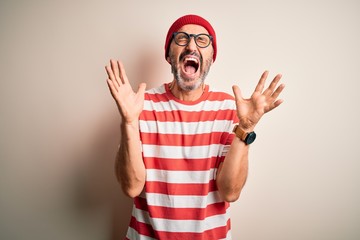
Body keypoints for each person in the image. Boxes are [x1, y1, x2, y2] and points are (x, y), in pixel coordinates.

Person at [105, 14, 284, 240]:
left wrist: (245, 128)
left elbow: (230, 192)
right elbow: (131, 187)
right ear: (169, 56)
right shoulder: (140, 104)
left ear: (211, 57)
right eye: (181, 38)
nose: (191, 45)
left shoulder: (230, 108)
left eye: (202, 40)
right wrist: (129, 122)